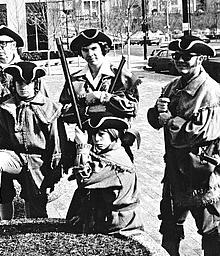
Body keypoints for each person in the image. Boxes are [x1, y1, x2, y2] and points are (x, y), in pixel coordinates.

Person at [147, 35, 220, 256]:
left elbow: (201, 133)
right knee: (169, 224)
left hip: (202, 171)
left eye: (187, 56)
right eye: (177, 56)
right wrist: (156, 112)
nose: (181, 60)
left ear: (200, 59)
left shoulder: (211, 91)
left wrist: (168, 120)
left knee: (211, 229)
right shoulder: (172, 86)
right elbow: (156, 121)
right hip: (175, 171)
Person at [0, 25, 48, 219]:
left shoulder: (29, 71)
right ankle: (4, 224)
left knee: (32, 188)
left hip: (26, 139)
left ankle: (33, 225)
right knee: (2, 189)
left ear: (14, 46)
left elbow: (44, 107)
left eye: (4, 43)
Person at [0, 62, 62, 230]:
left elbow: (55, 145)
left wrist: (52, 174)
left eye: (27, 83)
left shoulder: (50, 108)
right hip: (15, 156)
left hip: (38, 161)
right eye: (19, 83)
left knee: (36, 213)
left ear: (35, 84)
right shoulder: (6, 107)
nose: (23, 87)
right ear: (14, 84)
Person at [59, 29, 141, 162]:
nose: (90, 54)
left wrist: (103, 97)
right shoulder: (74, 79)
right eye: (85, 50)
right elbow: (64, 111)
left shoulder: (122, 76)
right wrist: (88, 108)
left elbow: (131, 108)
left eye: (94, 48)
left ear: (103, 48)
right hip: (86, 142)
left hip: (115, 141)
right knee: (87, 178)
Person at [66, 113, 143, 233]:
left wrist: (82, 147)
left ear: (114, 134)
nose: (96, 139)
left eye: (101, 134)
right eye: (94, 135)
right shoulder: (112, 151)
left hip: (121, 225)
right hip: (110, 218)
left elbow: (84, 180)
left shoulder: (113, 159)